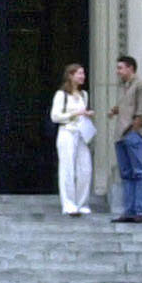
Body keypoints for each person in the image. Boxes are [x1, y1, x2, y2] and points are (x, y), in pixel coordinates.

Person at [107, 53, 142, 224]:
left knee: (139, 173)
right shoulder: (126, 87)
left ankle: (140, 210)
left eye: (120, 68)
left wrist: (134, 131)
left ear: (130, 68)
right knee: (126, 174)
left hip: (132, 136)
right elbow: (127, 106)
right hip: (121, 136)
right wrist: (115, 110)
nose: (118, 72)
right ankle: (129, 211)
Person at [50, 63, 97, 216]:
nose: (82, 76)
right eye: (79, 73)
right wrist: (74, 114)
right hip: (67, 132)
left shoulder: (84, 95)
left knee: (85, 168)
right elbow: (55, 116)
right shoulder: (61, 95)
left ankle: (82, 202)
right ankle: (69, 204)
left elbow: (81, 113)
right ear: (70, 75)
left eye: (83, 73)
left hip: (81, 133)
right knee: (67, 168)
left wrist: (86, 114)